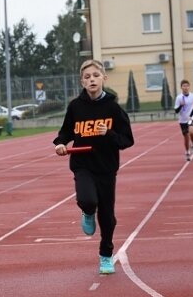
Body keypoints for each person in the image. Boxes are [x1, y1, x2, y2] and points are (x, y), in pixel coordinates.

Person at [53, 59, 135, 274]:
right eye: (87, 77)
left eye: (96, 76)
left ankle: (106, 255)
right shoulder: (75, 107)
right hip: (83, 165)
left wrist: (107, 133)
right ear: (82, 81)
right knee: (88, 200)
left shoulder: (113, 108)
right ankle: (88, 211)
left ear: (103, 79)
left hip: (107, 168)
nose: (92, 80)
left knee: (107, 217)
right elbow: (66, 132)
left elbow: (127, 140)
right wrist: (60, 144)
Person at [174, 79, 193, 161]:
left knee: (192, 132)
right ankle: (187, 152)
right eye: (184, 86)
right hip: (182, 120)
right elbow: (176, 111)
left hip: (191, 118)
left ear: (189, 87)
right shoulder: (179, 97)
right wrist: (181, 105)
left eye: (187, 86)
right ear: (181, 87)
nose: (185, 87)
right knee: (186, 137)